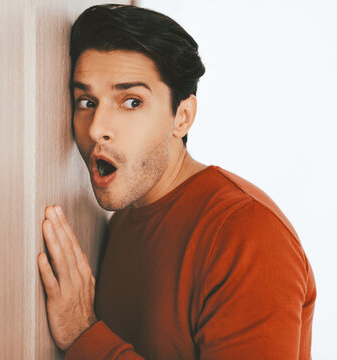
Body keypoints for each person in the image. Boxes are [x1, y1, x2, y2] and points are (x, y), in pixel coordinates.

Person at [36, 4, 316, 359]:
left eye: (131, 102)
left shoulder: (248, 235)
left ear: (182, 117)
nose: (96, 128)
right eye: (86, 101)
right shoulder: (124, 218)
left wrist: (83, 333)